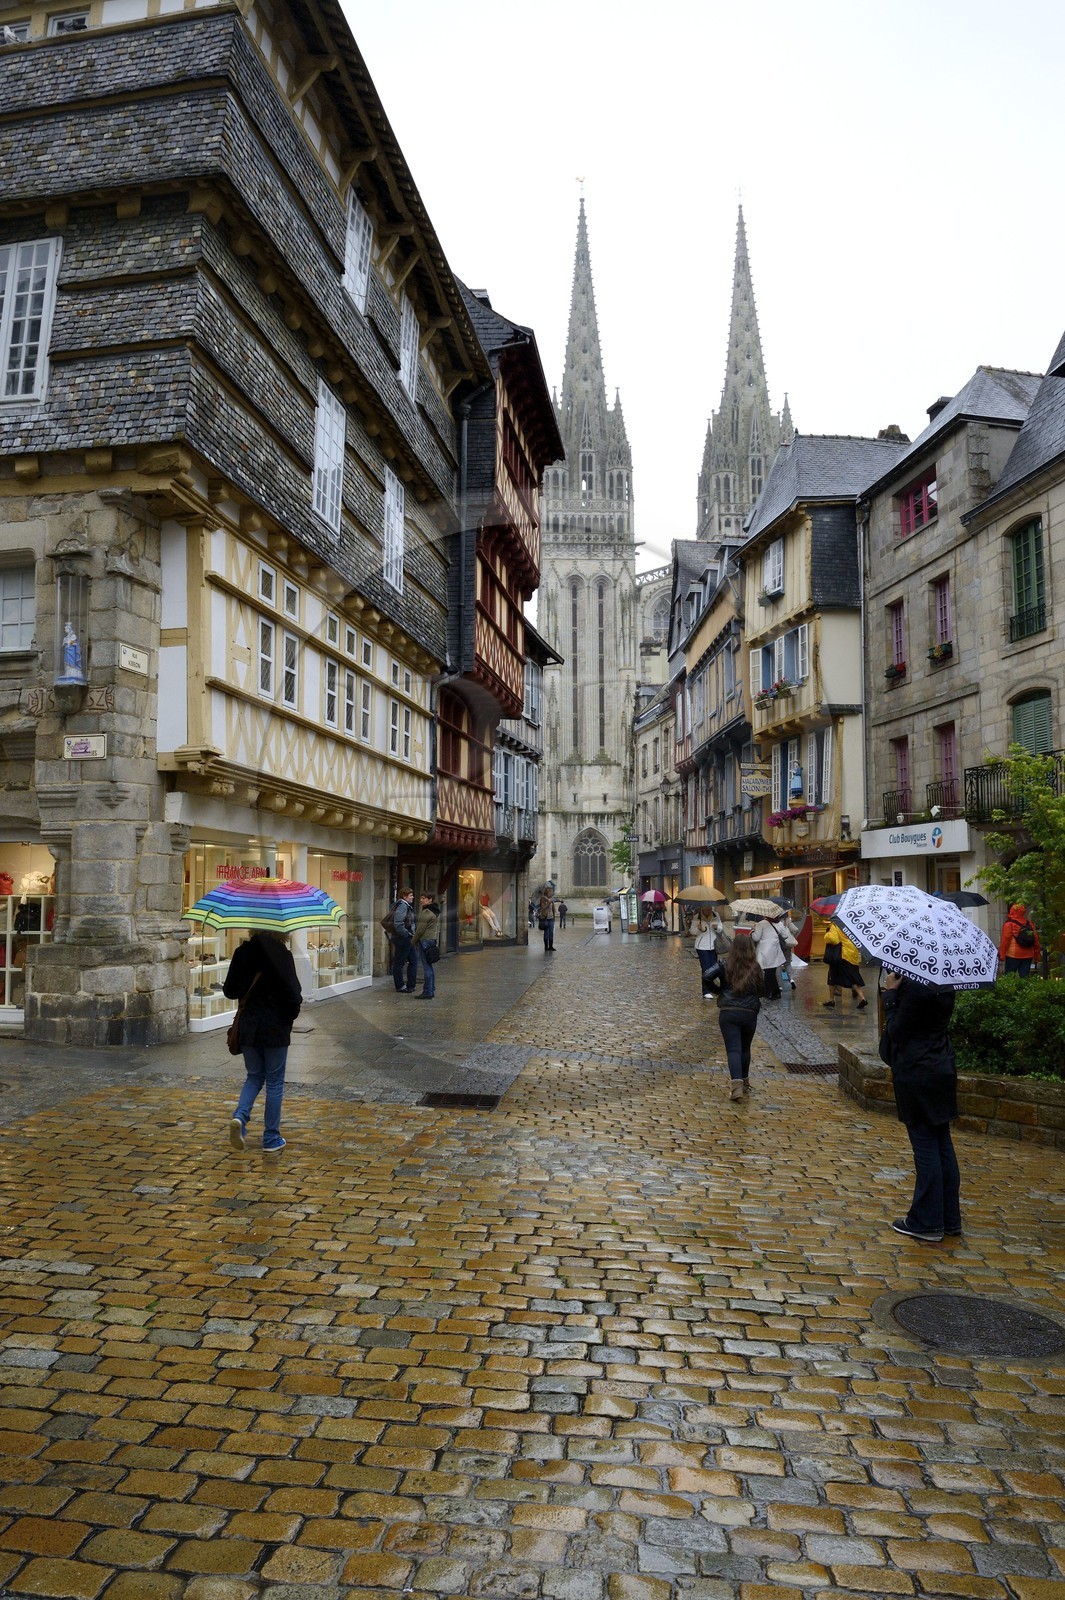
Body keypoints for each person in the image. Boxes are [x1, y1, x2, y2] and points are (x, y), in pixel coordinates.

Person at [879, 970, 961, 1242]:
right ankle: (949, 1219)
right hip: (941, 1066)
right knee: (942, 1142)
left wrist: (890, 995)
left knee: (925, 1144)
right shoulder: (945, 982)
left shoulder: (915, 987)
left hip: (917, 1070)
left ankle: (926, 1221)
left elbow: (898, 1031)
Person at [224, 930, 302, 1153]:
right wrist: (289, 1016)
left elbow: (230, 990)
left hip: (249, 1025)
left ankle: (240, 1116)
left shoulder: (243, 952)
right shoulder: (282, 955)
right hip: (275, 1027)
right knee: (275, 1082)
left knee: (254, 1076)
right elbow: (293, 995)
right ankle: (271, 1138)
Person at [705, 933, 764, 1100]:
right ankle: (745, 1081)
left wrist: (718, 990)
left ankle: (736, 1087)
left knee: (733, 1049)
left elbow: (706, 975)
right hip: (749, 1013)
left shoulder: (724, 964)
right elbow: (762, 990)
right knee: (745, 1048)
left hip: (729, 1012)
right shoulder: (755, 967)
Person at [822, 922, 868, 1009]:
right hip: (852, 953)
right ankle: (862, 998)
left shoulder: (835, 925)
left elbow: (834, 939)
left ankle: (831, 1000)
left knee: (832, 976)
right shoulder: (851, 924)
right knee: (853, 976)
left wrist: (827, 934)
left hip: (841, 954)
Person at [998, 902, 1040, 977]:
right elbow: (1036, 941)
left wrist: (1002, 955)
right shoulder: (1029, 924)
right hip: (1028, 955)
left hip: (1013, 955)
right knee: (1025, 978)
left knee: (1009, 978)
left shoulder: (1009, 924)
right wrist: (1037, 956)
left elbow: (1005, 941)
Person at [750, 915, 786, 999]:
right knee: (770, 972)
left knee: (769, 973)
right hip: (775, 951)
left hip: (764, 952)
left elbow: (756, 938)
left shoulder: (761, 924)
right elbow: (785, 935)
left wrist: (752, 931)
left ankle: (776, 992)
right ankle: (766, 991)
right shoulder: (779, 923)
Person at [389, 888, 417, 992]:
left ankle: (411, 985)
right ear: (404, 896)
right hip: (403, 939)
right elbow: (398, 923)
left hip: (407, 938)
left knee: (413, 960)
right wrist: (407, 935)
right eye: (410, 895)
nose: (412, 897)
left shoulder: (404, 905)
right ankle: (400, 986)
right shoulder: (402, 906)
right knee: (399, 962)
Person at [414, 891, 441, 998]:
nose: (421, 900)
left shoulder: (427, 912)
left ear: (430, 900)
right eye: (421, 898)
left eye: (424, 898)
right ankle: (431, 988)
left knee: (426, 967)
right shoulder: (433, 911)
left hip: (425, 940)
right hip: (431, 939)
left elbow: (420, 930)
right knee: (429, 966)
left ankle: (427, 991)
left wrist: (413, 941)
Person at [692, 911, 719, 999]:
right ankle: (706, 991)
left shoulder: (715, 915)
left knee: (713, 968)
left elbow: (721, 928)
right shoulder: (697, 917)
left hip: (714, 946)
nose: (708, 908)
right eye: (706, 907)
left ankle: (711, 988)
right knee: (706, 968)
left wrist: (716, 928)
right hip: (702, 946)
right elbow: (692, 931)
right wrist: (699, 929)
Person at [778, 911, 800, 989]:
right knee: (787, 963)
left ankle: (779, 986)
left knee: (778, 965)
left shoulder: (775, 919)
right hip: (786, 944)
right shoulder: (786, 919)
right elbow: (795, 930)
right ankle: (792, 980)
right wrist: (792, 937)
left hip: (777, 945)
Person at [538, 884, 556, 952]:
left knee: (551, 932)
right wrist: (548, 903)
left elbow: (553, 908)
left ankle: (551, 946)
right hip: (545, 918)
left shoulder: (551, 899)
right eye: (550, 892)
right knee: (546, 932)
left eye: (552, 892)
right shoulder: (543, 898)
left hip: (551, 917)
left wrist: (554, 915)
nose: (551, 893)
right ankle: (546, 946)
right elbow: (543, 908)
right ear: (547, 892)